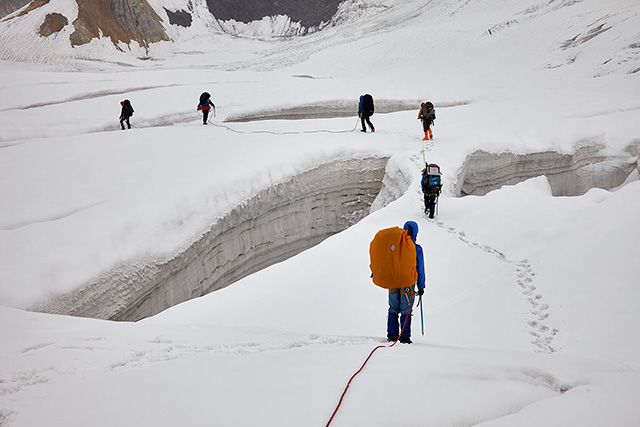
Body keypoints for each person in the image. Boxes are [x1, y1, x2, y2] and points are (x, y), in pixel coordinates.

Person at [387, 221, 426, 344]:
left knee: (393, 308)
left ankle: (392, 335)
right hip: (408, 284)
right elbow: (420, 268)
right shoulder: (416, 249)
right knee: (406, 311)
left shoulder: (395, 246)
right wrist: (421, 286)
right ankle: (404, 337)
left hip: (393, 282)